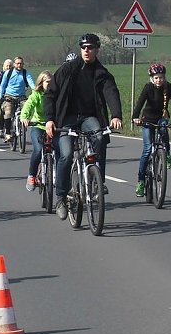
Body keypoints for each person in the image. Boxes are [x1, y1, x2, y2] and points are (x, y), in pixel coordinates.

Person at [45, 33, 123, 220]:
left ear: (97, 49)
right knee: (66, 154)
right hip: (67, 119)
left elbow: (111, 92)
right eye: (83, 47)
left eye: (90, 47)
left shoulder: (101, 72)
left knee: (100, 137)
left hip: (89, 116)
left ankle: (97, 181)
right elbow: (50, 95)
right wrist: (49, 119)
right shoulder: (68, 69)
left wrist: (116, 115)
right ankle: (61, 197)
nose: (86, 50)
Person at [131, 63, 171, 197]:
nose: (159, 80)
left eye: (161, 77)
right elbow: (140, 103)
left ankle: (166, 154)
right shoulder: (148, 88)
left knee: (163, 129)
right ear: (152, 78)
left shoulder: (169, 88)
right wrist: (135, 117)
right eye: (156, 78)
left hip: (161, 117)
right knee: (147, 149)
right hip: (147, 119)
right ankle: (141, 181)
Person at [20, 71, 57, 191]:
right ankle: (32, 175)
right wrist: (24, 117)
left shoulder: (56, 94)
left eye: (51, 83)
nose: (49, 85)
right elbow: (28, 105)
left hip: (53, 127)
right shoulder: (36, 94)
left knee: (60, 151)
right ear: (41, 83)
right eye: (47, 82)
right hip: (38, 126)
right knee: (39, 148)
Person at [0, 56, 35, 141]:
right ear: (14, 64)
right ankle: (7, 133)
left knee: (28, 107)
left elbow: (32, 84)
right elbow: (2, 86)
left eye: (21, 63)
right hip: (9, 95)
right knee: (8, 111)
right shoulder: (8, 73)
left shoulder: (26, 73)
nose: (19, 65)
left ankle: (23, 124)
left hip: (21, 96)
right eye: (17, 63)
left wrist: (35, 92)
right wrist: (0, 97)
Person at [0, 58, 12, 137]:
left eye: (10, 66)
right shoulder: (2, 74)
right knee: (3, 112)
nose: (8, 67)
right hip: (3, 96)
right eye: (7, 66)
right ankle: (1, 129)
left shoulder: (13, 74)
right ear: (4, 66)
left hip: (12, 96)